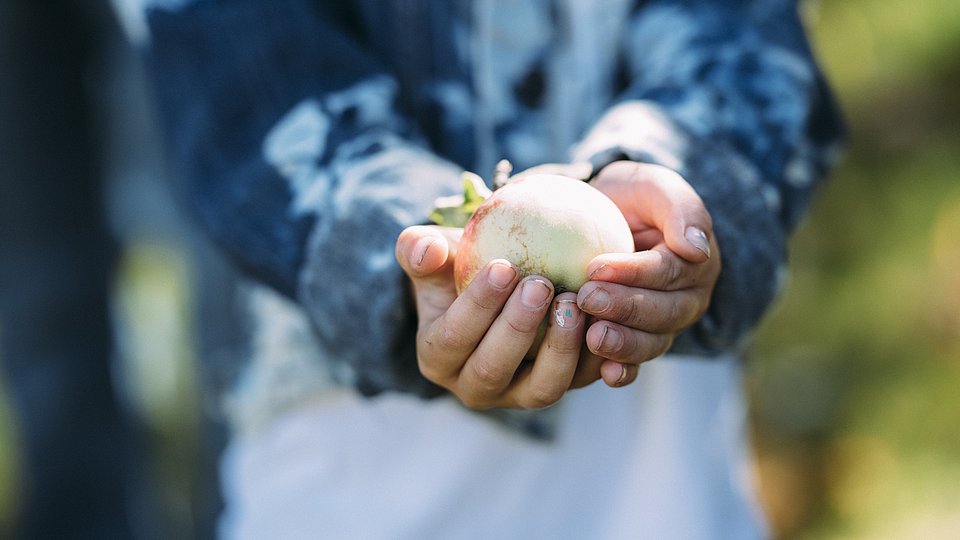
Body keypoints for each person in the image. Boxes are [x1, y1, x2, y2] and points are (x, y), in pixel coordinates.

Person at [135, 0, 843, 537]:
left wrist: (678, 184)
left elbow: (743, 30)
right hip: (356, 466)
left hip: (664, 461)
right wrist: (410, 250)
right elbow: (240, 76)